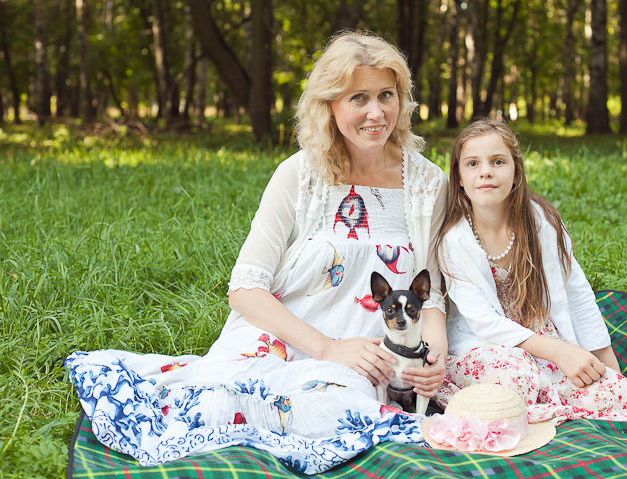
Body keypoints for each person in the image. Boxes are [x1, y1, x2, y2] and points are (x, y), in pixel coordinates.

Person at [66, 31, 448, 474]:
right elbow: (246, 288)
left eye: (386, 95)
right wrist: (328, 348)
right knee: (221, 406)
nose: (376, 112)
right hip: (287, 341)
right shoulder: (299, 175)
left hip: (376, 360)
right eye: (358, 98)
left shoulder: (427, 182)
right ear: (329, 106)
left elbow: (433, 294)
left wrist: (432, 357)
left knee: (339, 411)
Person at [435, 117, 627, 425]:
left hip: (543, 338)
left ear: (516, 174)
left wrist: (610, 371)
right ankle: (519, 404)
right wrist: (560, 352)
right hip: (488, 346)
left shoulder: (541, 222)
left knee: (615, 394)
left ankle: (547, 399)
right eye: (472, 164)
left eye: (498, 161)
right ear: (459, 177)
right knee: (515, 379)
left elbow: (578, 294)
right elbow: (484, 323)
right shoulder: (453, 240)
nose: (485, 171)